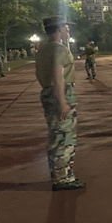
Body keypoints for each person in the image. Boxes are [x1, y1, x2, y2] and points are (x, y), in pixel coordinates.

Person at [35, 17, 85, 191]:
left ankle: (60, 175)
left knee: (55, 136)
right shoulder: (59, 49)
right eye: (66, 28)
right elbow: (58, 77)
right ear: (60, 29)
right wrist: (63, 101)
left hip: (48, 92)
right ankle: (63, 179)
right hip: (61, 92)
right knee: (65, 137)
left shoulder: (43, 49)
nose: (68, 31)